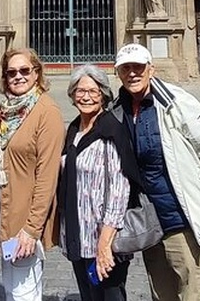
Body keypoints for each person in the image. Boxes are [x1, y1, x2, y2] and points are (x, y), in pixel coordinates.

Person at [111, 43, 200, 301]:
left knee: (192, 292)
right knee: (161, 292)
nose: (132, 73)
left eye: (138, 67)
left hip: (180, 217)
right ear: (118, 74)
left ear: (151, 69)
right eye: (125, 68)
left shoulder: (175, 102)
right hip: (148, 219)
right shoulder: (117, 109)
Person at [0, 48, 65, 301]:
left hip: (25, 221)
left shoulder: (46, 112)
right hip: (7, 215)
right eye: (11, 73)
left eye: (24, 71)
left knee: (23, 290)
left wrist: (31, 229)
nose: (18, 77)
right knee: (13, 284)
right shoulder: (8, 110)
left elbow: (47, 177)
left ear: (37, 73)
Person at [59, 65, 140, 301]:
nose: (86, 97)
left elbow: (119, 190)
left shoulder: (110, 130)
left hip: (104, 238)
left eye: (93, 91)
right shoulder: (74, 129)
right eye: (80, 91)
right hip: (79, 235)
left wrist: (104, 244)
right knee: (89, 295)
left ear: (104, 95)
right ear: (72, 95)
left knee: (109, 295)